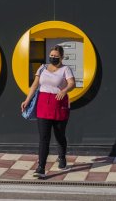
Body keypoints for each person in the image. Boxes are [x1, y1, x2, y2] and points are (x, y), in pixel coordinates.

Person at [21, 45, 75, 178]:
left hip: (59, 105)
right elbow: (34, 85)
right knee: (44, 138)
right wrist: (27, 100)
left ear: (62, 57)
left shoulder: (65, 69)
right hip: (43, 106)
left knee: (59, 135)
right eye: (51, 55)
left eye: (56, 56)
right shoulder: (43, 67)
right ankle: (41, 167)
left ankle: (62, 157)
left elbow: (72, 83)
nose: (53, 58)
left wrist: (64, 90)